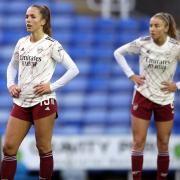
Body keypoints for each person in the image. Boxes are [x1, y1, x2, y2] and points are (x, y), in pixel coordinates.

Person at [0, 4, 79, 180]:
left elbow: (73, 69)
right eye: (26, 16)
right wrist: (11, 84)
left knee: (43, 148)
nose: (28, 20)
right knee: (8, 147)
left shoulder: (51, 45)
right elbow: (12, 65)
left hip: (43, 103)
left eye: (33, 16)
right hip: (21, 102)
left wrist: (52, 86)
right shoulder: (21, 42)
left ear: (43, 21)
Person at [114, 12, 180, 180]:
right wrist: (131, 75)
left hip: (165, 100)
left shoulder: (175, 47)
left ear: (166, 28)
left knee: (163, 144)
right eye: (151, 25)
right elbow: (118, 53)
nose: (152, 29)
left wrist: (177, 86)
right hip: (142, 96)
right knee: (138, 142)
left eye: (157, 26)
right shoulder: (143, 43)